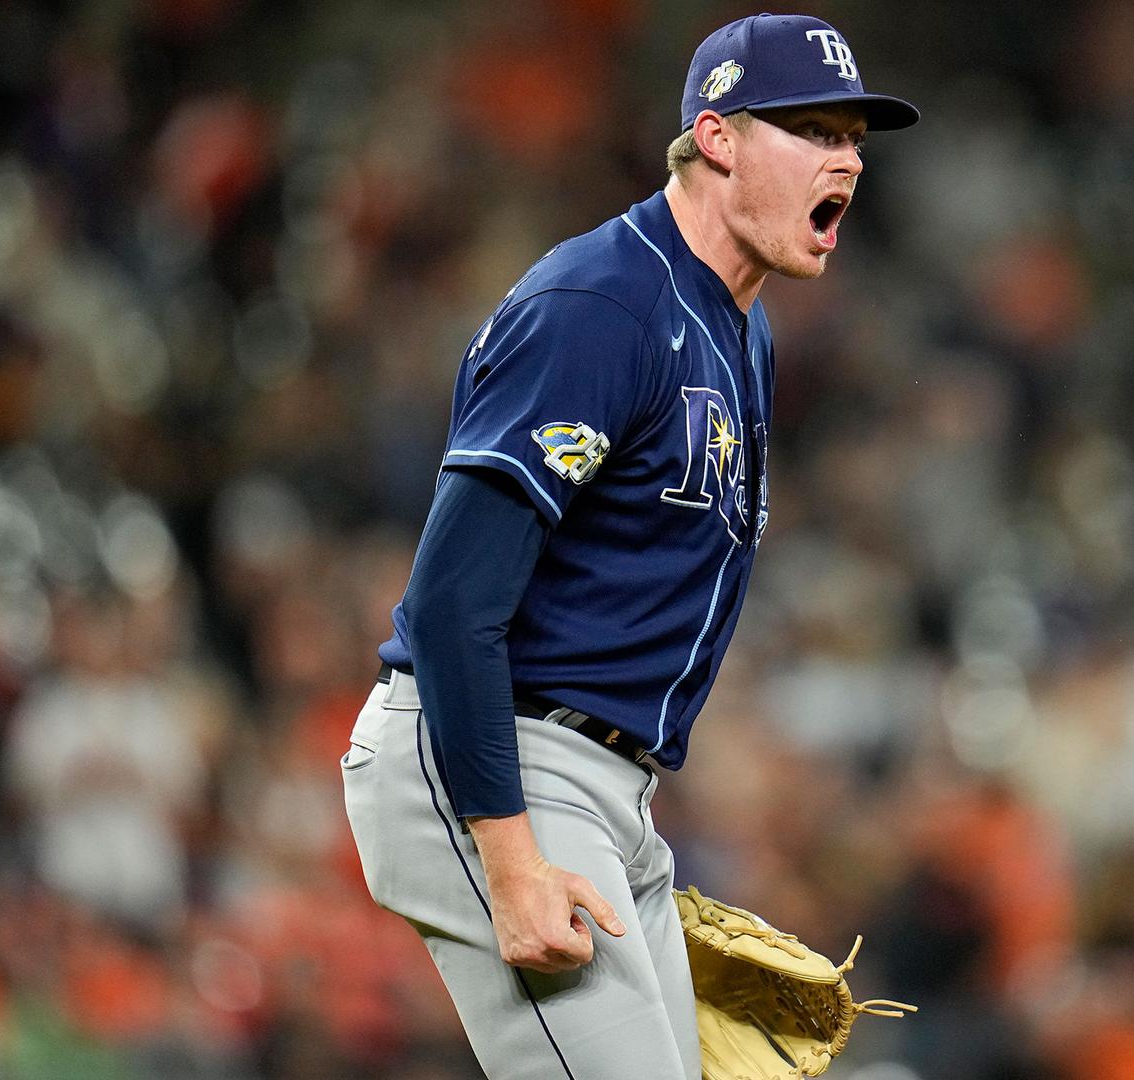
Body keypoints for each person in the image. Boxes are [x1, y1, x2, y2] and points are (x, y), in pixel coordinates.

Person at [340, 13, 918, 1079]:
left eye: (854, 137)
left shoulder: (744, 328)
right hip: (490, 757)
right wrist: (510, 860)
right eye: (809, 127)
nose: (843, 157)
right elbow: (452, 604)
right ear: (717, 138)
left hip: (605, 788)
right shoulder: (601, 303)